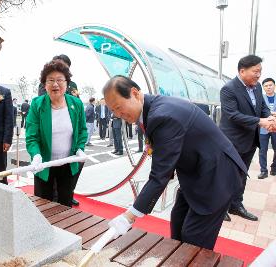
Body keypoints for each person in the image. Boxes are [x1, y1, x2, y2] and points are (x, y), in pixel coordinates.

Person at [103, 75, 246, 250]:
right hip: (196, 173)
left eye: (119, 107)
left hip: (217, 176)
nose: (118, 115)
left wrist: (129, 216)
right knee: (178, 222)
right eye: (113, 111)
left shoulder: (162, 115)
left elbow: (159, 176)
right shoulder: (150, 110)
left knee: (193, 239)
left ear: (134, 93)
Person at [219, 55, 276, 221]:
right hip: (232, 141)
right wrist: (261, 121)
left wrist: (270, 120)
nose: (258, 75)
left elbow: (263, 108)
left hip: (250, 141)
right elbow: (233, 115)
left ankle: (236, 205)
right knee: (226, 175)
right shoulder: (228, 89)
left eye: (260, 72)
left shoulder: (257, 87)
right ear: (242, 71)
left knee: (242, 175)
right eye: (255, 71)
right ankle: (220, 208)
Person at [26, 59, 87, 207]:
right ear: (44, 84)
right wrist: (36, 155)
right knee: (43, 203)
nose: (55, 84)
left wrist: (79, 149)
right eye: (50, 80)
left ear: (67, 83)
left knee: (65, 203)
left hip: (67, 163)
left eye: (60, 80)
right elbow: (31, 137)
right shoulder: (37, 104)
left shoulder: (76, 104)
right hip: (44, 164)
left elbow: (82, 131)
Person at [258, 78, 276, 179]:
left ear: (274, 86)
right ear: (263, 88)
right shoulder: (260, 98)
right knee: (262, 150)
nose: (268, 87)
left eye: (270, 85)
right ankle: (263, 171)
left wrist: (272, 113)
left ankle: (274, 168)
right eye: (266, 86)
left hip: (275, 128)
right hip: (263, 128)